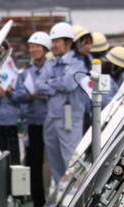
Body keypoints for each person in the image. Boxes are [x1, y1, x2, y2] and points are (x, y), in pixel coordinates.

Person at [35, 22, 87, 187]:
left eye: (57, 41)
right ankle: (60, 194)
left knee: (70, 158)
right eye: (53, 41)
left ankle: (74, 198)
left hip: (69, 117)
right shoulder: (52, 64)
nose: (54, 45)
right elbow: (38, 85)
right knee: (54, 159)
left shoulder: (78, 64)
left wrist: (51, 84)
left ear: (68, 43)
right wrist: (56, 85)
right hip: (52, 117)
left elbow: (68, 84)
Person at [15, 31, 51, 207]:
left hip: (51, 120)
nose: (33, 50)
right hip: (33, 122)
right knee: (34, 162)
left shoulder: (52, 69)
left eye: (37, 46)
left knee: (52, 161)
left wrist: (44, 95)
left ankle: (54, 198)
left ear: (45, 48)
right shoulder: (25, 73)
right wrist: (28, 97)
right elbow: (18, 94)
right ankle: (38, 200)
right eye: (31, 47)